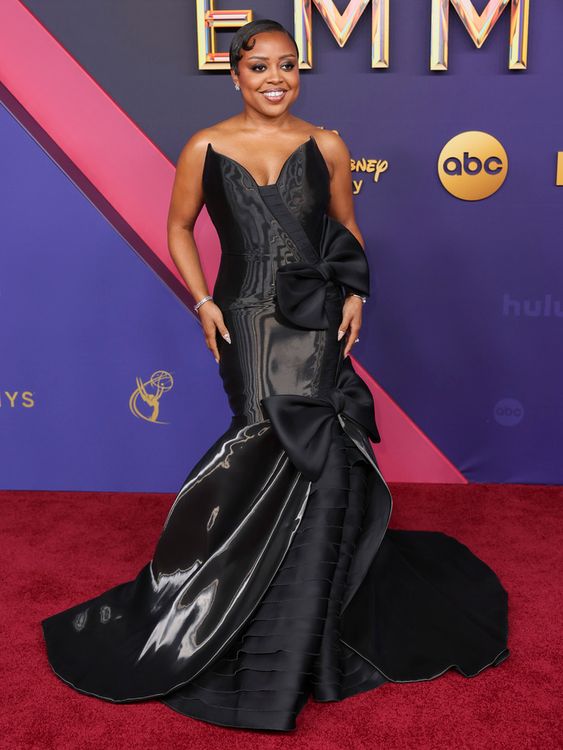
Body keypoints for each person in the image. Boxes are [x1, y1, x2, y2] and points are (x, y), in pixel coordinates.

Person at [41, 19, 510, 733]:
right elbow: (178, 225)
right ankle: (218, 584)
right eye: (259, 66)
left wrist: (355, 294)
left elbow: (344, 228)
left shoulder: (326, 144)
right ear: (235, 74)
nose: (274, 78)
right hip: (244, 314)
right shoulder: (205, 144)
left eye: (286, 66)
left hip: (316, 315)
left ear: (298, 72)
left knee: (323, 444)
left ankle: (307, 614)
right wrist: (200, 300)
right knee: (262, 431)